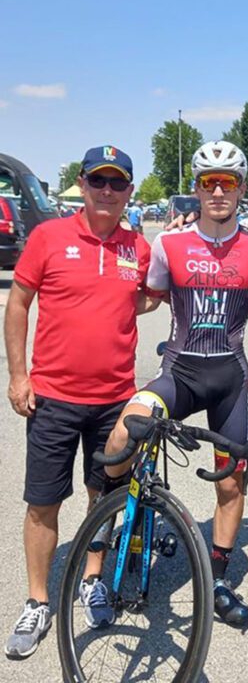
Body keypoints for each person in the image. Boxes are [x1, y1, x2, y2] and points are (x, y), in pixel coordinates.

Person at [101, 141, 248, 628]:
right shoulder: (170, 244)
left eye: (228, 182)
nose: (218, 192)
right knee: (121, 437)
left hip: (229, 382)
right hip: (179, 374)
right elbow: (149, 298)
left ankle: (218, 578)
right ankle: (113, 519)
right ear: (196, 190)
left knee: (231, 482)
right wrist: (95, 296)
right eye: (208, 182)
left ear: (241, 189)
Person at [4, 146, 153, 659]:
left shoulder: (139, 247)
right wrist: (18, 376)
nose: (107, 191)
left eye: (117, 183)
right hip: (52, 398)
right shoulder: (49, 237)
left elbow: (147, 296)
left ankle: (93, 580)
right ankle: (38, 600)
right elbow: (18, 303)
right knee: (43, 502)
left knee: (103, 495)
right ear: (82, 184)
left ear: (129, 191)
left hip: (114, 400)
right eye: (98, 181)